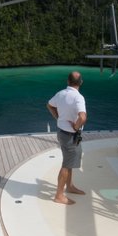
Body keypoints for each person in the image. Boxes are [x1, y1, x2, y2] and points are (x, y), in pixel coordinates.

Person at [47, 71, 87, 205]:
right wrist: (76, 127)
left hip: (63, 133)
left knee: (69, 162)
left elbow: (49, 105)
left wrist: (58, 117)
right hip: (71, 135)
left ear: (68, 81)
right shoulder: (78, 98)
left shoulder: (60, 94)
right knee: (66, 165)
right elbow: (82, 117)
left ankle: (69, 187)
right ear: (81, 82)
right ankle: (59, 195)